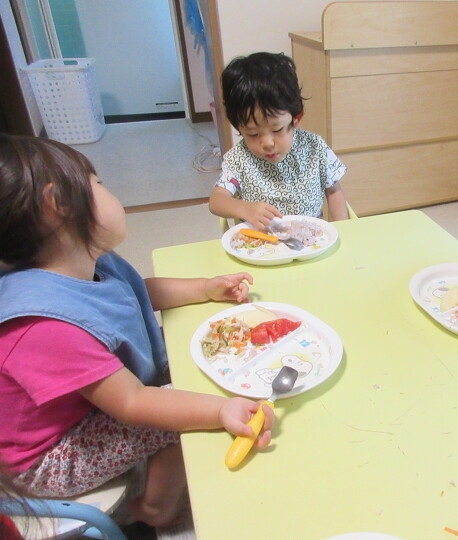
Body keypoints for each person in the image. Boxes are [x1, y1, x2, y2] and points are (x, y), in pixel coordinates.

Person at [0, 134, 274, 528]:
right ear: (58, 204)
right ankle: (156, 508)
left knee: (190, 368)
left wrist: (205, 288)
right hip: (44, 459)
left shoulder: (77, 261)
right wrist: (219, 409)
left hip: (83, 406)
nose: (108, 190)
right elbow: (131, 402)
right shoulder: (43, 325)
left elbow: (130, 294)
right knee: (179, 410)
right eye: (98, 183)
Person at [208, 52, 348, 229]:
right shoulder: (239, 159)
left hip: (311, 238)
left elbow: (334, 192)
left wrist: (343, 230)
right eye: (253, 134)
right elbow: (216, 200)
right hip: (262, 242)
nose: (267, 143)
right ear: (239, 128)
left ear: (296, 118)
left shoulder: (315, 148)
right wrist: (244, 208)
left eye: (276, 130)